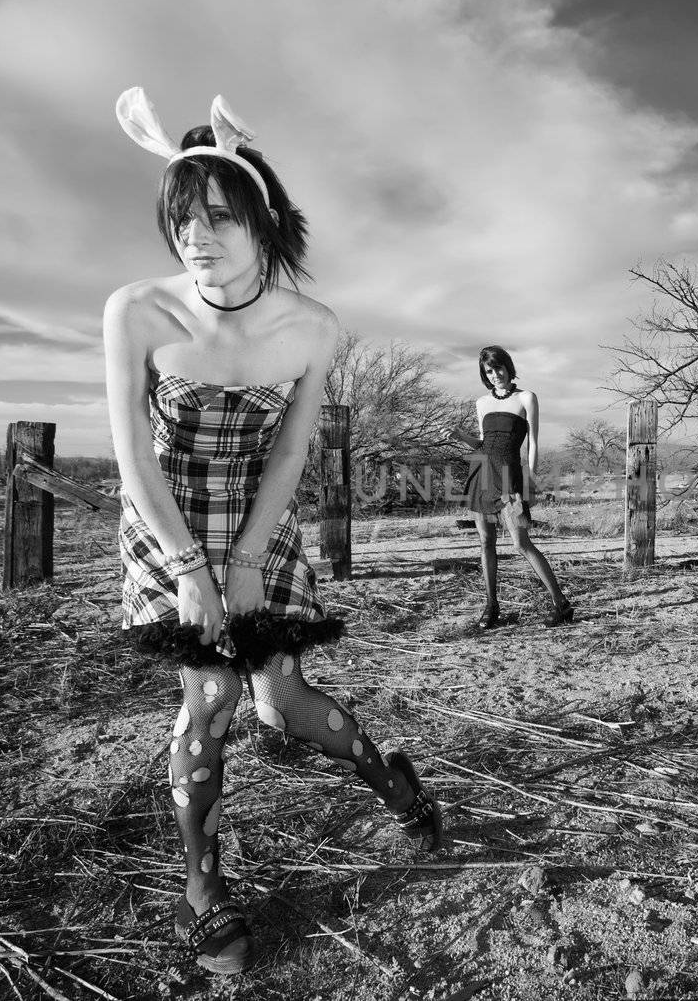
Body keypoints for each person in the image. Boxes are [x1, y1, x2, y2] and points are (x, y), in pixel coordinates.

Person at [105, 87, 442, 976]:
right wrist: (189, 570)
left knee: (280, 699)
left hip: (260, 518)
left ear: (265, 220)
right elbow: (131, 455)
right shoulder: (138, 309)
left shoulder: (310, 327)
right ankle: (203, 890)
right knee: (210, 697)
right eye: (183, 221)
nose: (196, 238)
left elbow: (292, 454)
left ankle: (395, 785)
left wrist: (249, 560)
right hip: (166, 516)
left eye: (219, 217)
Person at [460, 345, 573, 629]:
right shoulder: (481, 403)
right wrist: (460, 435)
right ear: (484, 374)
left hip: (510, 479)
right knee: (486, 543)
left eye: (499, 368)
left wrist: (531, 480)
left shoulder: (526, 398)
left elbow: (533, 443)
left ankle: (561, 605)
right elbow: (483, 443)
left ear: (509, 367)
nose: (495, 374)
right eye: (489, 371)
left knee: (522, 544)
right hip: (483, 476)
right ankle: (491, 606)